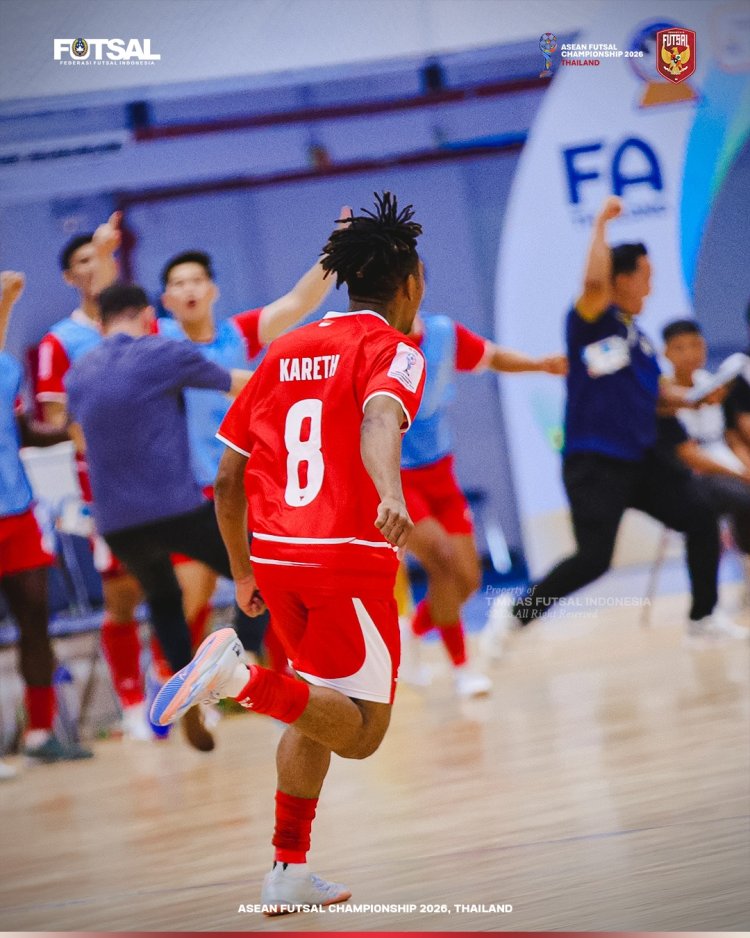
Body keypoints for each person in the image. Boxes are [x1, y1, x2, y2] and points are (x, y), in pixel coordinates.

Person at [151, 192, 426, 913]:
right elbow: (378, 419)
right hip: (345, 557)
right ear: (409, 283)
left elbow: (228, 477)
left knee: (314, 707)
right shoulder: (392, 350)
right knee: (363, 735)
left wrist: (241, 568)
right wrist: (389, 490)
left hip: (277, 556)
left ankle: (287, 871)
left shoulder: (283, 349)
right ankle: (241, 681)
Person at [482, 195, 744, 653]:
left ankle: (702, 619)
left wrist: (694, 397)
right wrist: (600, 224)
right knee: (594, 559)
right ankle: (517, 613)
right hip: (596, 461)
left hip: (641, 459)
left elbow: (655, 395)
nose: (650, 286)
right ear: (621, 280)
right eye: (645, 277)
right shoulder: (590, 322)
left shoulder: (636, 337)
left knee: (700, 514)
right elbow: (591, 279)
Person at [65, 282, 252, 751]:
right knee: (255, 570)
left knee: (164, 600)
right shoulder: (160, 351)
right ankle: (247, 654)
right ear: (148, 314)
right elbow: (235, 384)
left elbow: (78, 437)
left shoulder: (79, 371)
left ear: (102, 321)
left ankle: (187, 698)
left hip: (117, 522)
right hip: (175, 508)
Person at [153, 225, 345, 671]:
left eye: (196, 280)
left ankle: (276, 677)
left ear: (213, 289)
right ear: (166, 301)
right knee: (190, 598)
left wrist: (335, 250)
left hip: (251, 482)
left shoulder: (238, 334)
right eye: (177, 284)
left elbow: (300, 302)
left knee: (272, 583)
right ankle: (168, 686)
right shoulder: (158, 344)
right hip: (191, 494)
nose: (188, 289)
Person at [399, 308, 567, 695]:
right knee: (440, 559)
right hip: (397, 478)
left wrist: (540, 364)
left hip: (440, 472)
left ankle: (412, 629)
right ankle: (462, 668)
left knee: (468, 579)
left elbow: (492, 357)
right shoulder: (373, 343)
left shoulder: (442, 332)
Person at [36, 216, 149, 739]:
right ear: (68, 277)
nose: (92, 266)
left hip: (161, 472)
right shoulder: (60, 342)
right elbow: (55, 418)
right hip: (105, 481)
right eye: (80, 260)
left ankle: (180, 685)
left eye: (98, 256)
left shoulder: (141, 324)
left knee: (189, 577)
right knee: (122, 589)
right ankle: (131, 701)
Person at [0, 270, 92, 771]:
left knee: (36, 616)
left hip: (15, 514)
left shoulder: (5, 370)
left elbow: (22, 433)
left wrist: (73, 432)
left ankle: (39, 733)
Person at [660, 318, 750, 564]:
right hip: (690, 474)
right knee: (744, 497)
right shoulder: (663, 398)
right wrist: (739, 474)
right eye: (680, 347)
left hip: (725, 465)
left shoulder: (714, 385)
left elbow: (731, 438)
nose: (689, 354)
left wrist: (745, 467)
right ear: (666, 352)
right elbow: (685, 454)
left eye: (694, 345)